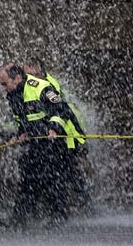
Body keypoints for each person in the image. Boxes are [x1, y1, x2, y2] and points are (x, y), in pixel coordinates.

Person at [0, 63, 72, 229]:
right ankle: (20, 217)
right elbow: (22, 118)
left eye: (5, 83)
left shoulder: (41, 87)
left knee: (52, 178)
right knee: (27, 178)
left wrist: (54, 128)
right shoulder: (13, 94)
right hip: (36, 141)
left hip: (54, 142)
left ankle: (59, 216)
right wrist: (21, 133)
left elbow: (62, 110)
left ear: (17, 78)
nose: (3, 88)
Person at [24, 59, 91, 210]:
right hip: (62, 134)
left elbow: (60, 111)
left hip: (67, 134)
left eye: (28, 73)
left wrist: (54, 129)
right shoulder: (39, 84)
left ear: (37, 69)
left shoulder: (46, 85)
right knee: (68, 171)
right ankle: (79, 204)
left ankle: (79, 205)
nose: (26, 78)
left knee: (69, 171)